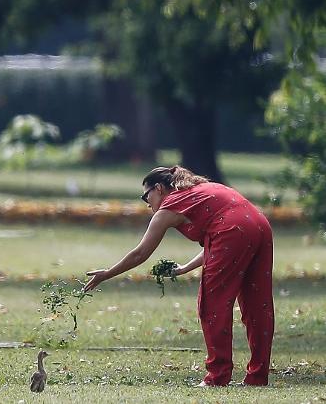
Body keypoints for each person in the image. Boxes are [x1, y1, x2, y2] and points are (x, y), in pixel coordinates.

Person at [84, 165, 274, 387]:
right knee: (257, 305)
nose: (147, 204)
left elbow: (140, 253)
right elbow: (228, 233)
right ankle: (258, 377)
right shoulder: (200, 189)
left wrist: (107, 274)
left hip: (233, 232)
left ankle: (217, 376)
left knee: (212, 305)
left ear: (159, 188)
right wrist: (185, 268)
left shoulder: (169, 206)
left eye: (146, 196)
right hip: (260, 226)